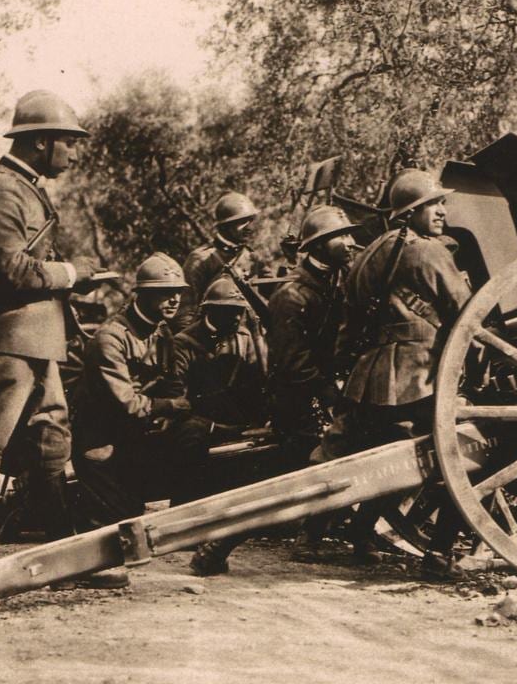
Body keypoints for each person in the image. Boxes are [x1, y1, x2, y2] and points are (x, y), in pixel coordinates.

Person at [0, 90, 122, 588]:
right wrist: (72, 272)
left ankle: (65, 565)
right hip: (3, 347)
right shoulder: (0, 191)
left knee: (51, 449)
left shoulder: (23, 188)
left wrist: (72, 280)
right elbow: (10, 270)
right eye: (68, 143)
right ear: (40, 143)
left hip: (33, 345)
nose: (73, 154)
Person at [328, 168, 472, 577]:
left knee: (385, 460)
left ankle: (360, 531)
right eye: (432, 205)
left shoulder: (369, 253)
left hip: (369, 379)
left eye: (441, 203)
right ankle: (440, 555)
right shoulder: (428, 252)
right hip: (417, 377)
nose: (442, 211)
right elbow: (467, 314)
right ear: (409, 213)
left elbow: (349, 327)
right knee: (463, 456)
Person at [71, 253, 193, 528]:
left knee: (194, 433)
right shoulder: (110, 338)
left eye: (178, 292)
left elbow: (173, 385)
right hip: (102, 441)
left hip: (137, 436)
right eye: (165, 293)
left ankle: (184, 522)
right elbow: (125, 403)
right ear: (143, 295)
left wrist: (171, 412)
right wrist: (169, 407)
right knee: (117, 529)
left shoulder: (162, 333)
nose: (175, 300)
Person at [266, 206, 361, 561]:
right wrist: (331, 393)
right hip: (297, 397)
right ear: (319, 245)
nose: (351, 242)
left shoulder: (340, 280)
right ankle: (307, 536)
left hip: (326, 388)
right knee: (323, 456)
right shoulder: (291, 296)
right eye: (341, 236)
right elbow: (294, 364)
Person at [171, 276, 268, 575]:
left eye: (239, 312)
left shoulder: (244, 338)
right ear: (210, 311)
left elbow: (256, 383)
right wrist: (211, 425)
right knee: (190, 439)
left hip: (234, 419)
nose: (236, 318)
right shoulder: (184, 342)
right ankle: (185, 522)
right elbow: (178, 395)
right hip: (196, 420)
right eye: (229, 311)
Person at [175, 192, 259, 330]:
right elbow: (184, 313)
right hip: (212, 336)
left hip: (247, 338)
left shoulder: (251, 257)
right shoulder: (201, 259)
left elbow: (275, 294)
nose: (249, 227)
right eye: (242, 222)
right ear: (225, 225)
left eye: (250, 221)